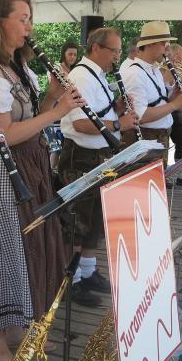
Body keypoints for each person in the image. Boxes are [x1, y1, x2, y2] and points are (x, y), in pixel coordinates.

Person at [0, 0, 85, 361]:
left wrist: (54, 97)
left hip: (32, 164)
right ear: (0, 22)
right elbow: (5, 133)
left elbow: (32, 116)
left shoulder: (19, 68)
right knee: (4, 250)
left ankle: (21, 329)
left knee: (33, 246)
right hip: (4, 170)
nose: (29, 26)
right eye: (22, 18)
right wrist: (59, 113)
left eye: (30, 18)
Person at [57, 27, 139, 307]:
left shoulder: (98, 75)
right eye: (113, 51)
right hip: (79, 156)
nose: (117, 57)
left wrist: (118, 109)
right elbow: (80, 123)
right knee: (77, 222)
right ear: (95, 49)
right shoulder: (80, 75)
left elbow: (98, 114)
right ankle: (72, 281)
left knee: (94, 220)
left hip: (99, 154)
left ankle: (89, 273)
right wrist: (119, 124)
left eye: (118, 51)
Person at [118, 21, 182, 169]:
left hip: (158, 140)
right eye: (164, 44)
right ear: (150, 44)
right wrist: (174, 105)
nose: (167, 49)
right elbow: (140, 116)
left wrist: (174, 97)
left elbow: (158, 104)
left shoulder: (154, 69)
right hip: (145, 142)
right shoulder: (135, 73)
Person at [161, 44, 182, 185]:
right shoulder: (161, 70)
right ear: (170, 55)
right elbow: (163, 95)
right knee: (164, 145)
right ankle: (164, 175)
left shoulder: (180, 72)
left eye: (181, 58)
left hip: (176, 111)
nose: (180, 61)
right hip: (163, 111)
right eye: (178, 57)